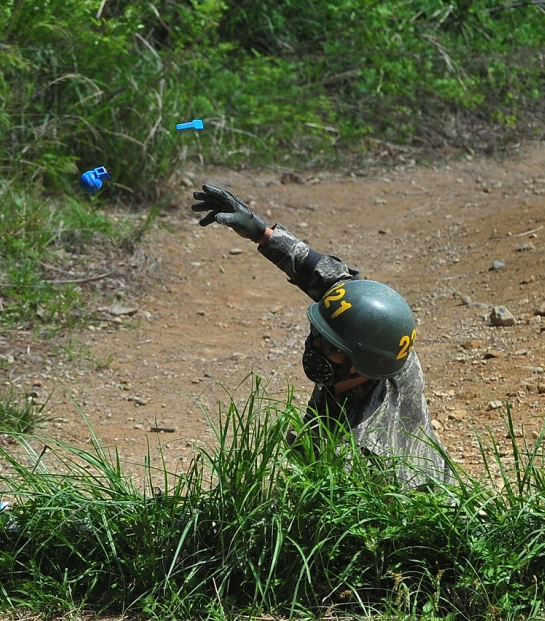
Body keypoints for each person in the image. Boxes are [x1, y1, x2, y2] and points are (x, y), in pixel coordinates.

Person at [191, 183, 453, 488]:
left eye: (331, 345)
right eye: (319, 333)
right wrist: (260, 231)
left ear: (360, 362)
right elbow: (335, 282)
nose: (316, 345)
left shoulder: (355, 456)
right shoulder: (389, 353)